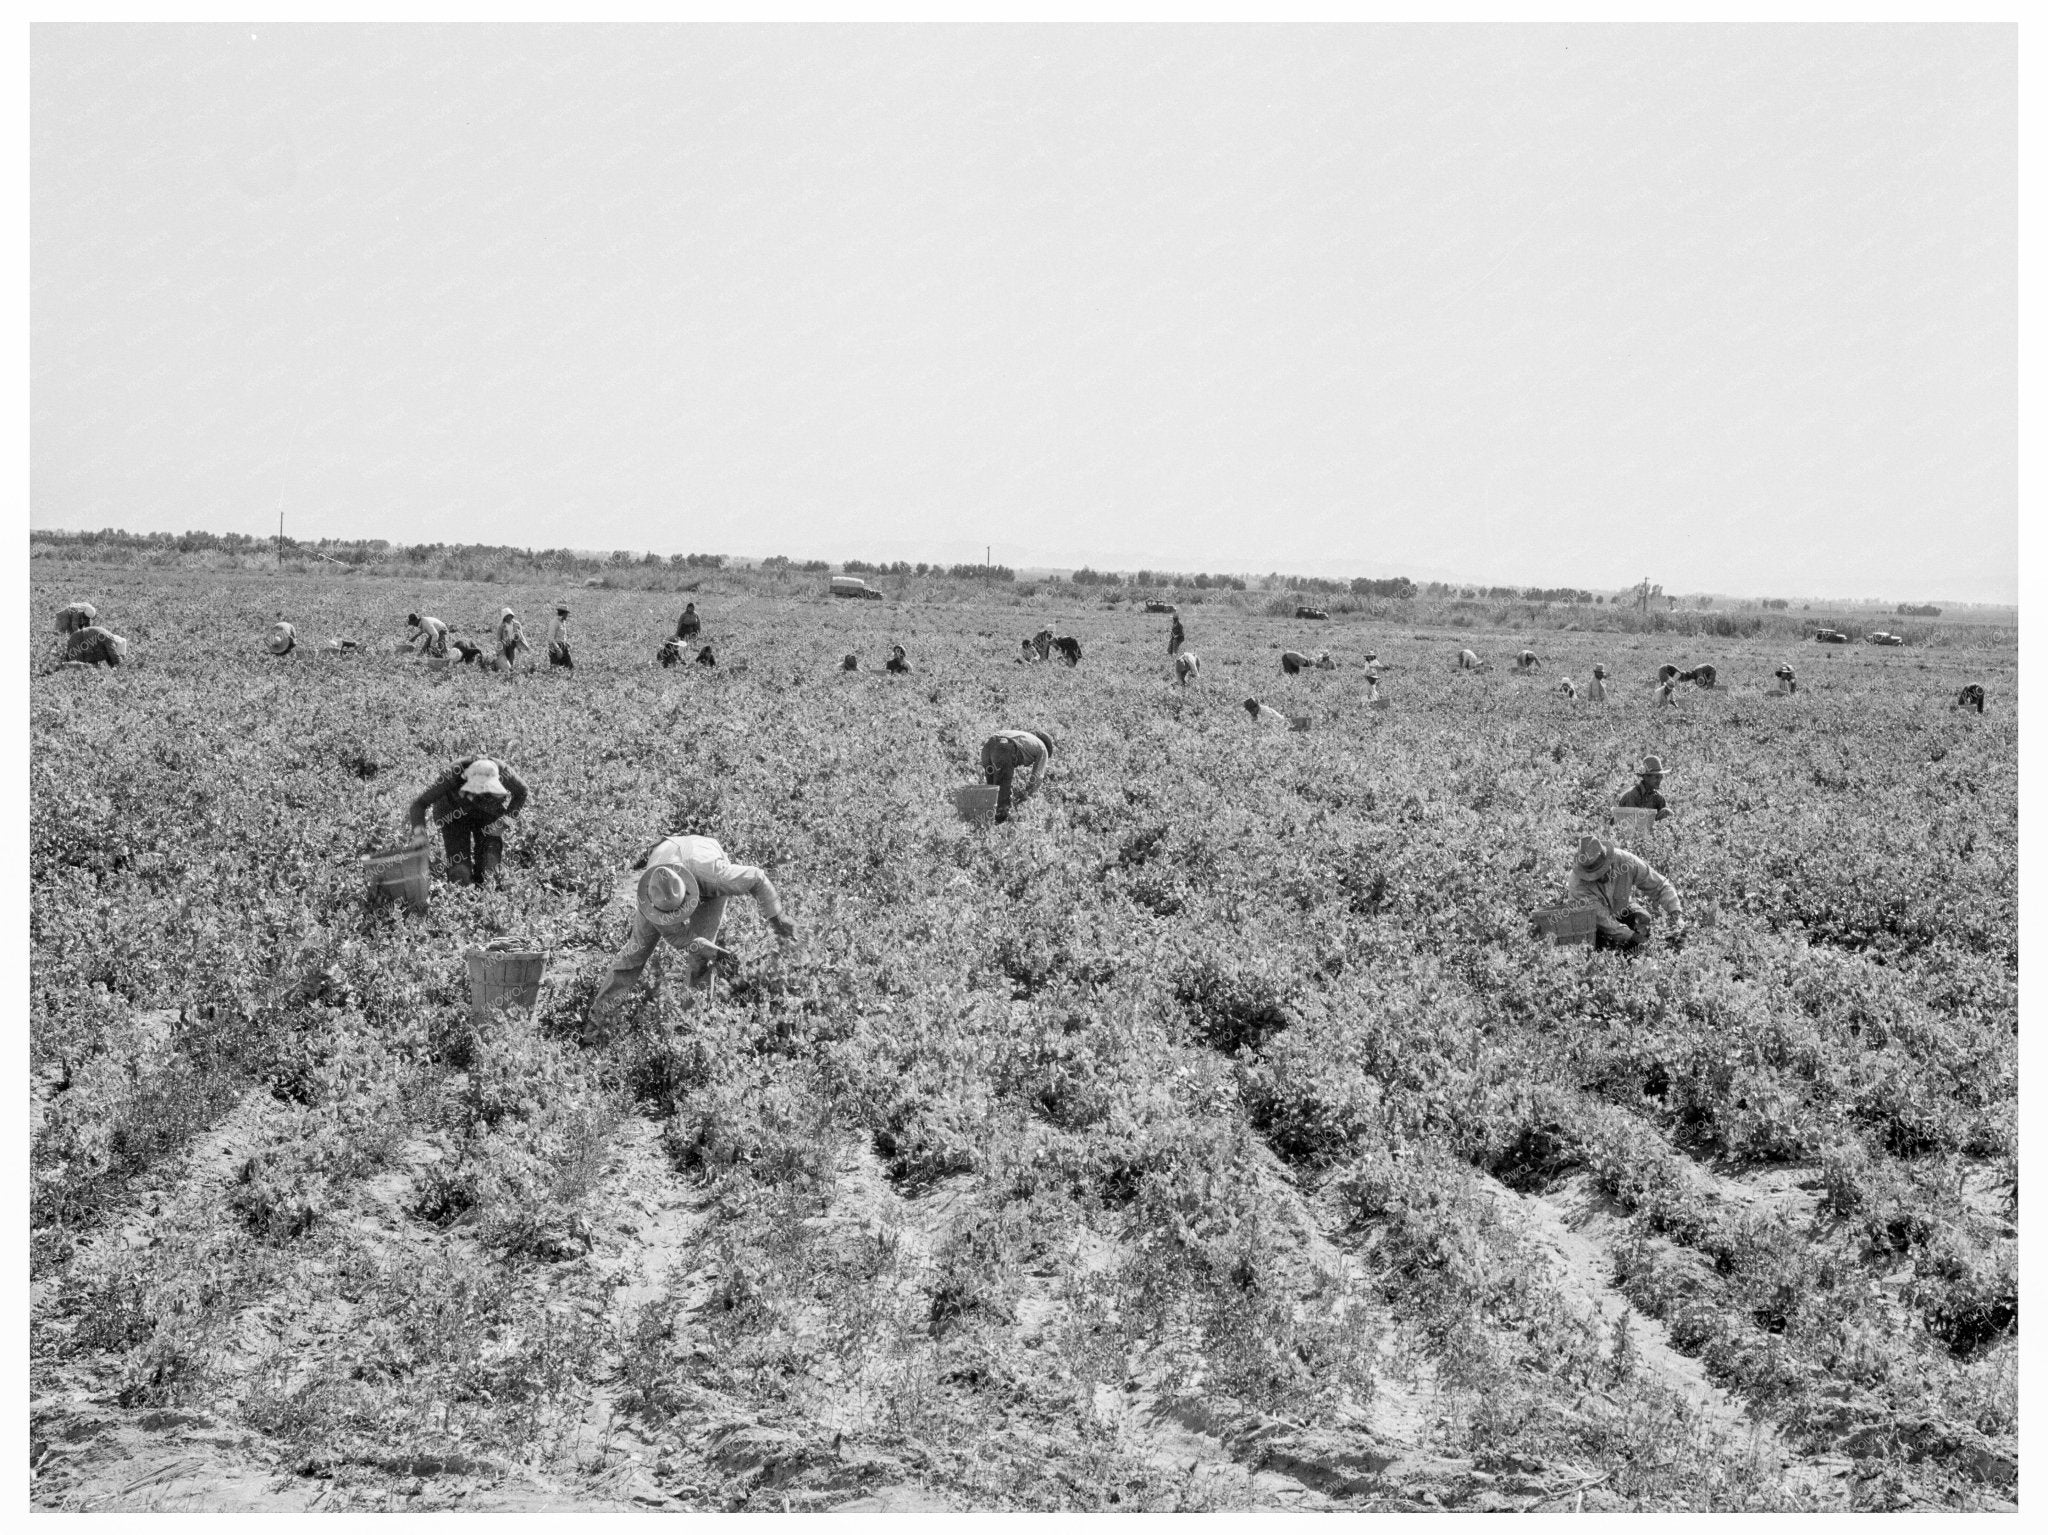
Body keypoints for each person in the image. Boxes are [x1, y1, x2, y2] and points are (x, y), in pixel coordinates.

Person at [592, 834, 796, 1022]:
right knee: (636, 951)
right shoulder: (654, 895)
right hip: (666, 852)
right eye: (669, 914)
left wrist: (778, 919)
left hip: (704, 865)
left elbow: (757, 878)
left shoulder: (716, 877)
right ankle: (597, 1021)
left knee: (701, 960)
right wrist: (718, 954)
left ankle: (692, 1020)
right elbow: (681, 937)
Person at [405, 756, 529, 886]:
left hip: (487, 812)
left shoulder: (503, 771)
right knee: (460, 874)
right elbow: (418, 805)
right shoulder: (451, 775)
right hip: (452, 814)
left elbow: (522, 791)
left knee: (490, 866)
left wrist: (504, 823)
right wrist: (420, 837)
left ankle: (486, 890)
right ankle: (462, 889)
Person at [1567, 835, 1683, 951]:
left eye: (1603, 871)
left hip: (1620, 909)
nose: (1601, 877)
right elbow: (1604, 922)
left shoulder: (1625, 862)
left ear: (1609, 860)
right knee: (1600, 944)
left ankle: (1634, 948)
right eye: (1595, 875)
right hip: (1593, 923)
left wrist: (1675, 913)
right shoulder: (1578, 884)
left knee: (1643, 918)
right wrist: (1635, 938)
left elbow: (1660, 885)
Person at [980, 729, 1053, 823]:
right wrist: (1027, 793)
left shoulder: (1026, 738)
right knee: (1002, 790)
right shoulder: (1043, 749)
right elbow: (1037, 776)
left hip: (988, 746)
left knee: (992, 789)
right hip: (1004, 749)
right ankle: (999, 822)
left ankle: (983, 819)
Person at [57, 624, 129, 668]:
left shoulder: (108, 640)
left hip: (83, 644)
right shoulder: (110, 639)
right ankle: (56, 668)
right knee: (73, 666)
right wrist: (121, 668)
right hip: (79, 640)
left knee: (91, 668)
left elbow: (111, 661)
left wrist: (114, 669)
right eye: (118, 653)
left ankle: (58, 665)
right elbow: (115, 656)